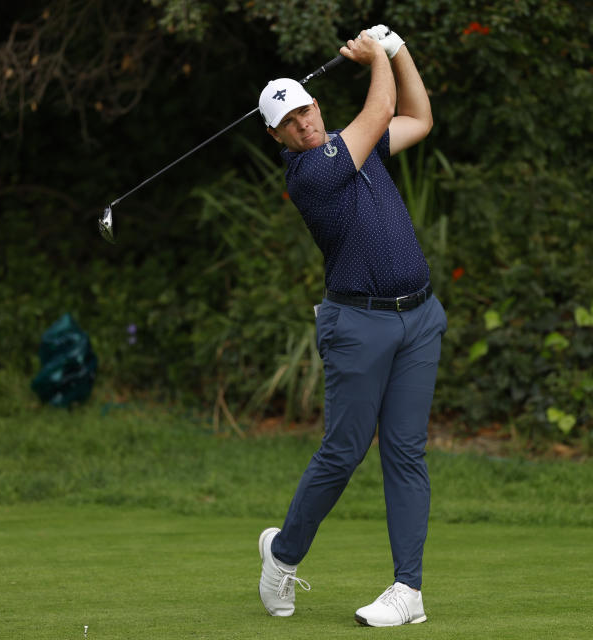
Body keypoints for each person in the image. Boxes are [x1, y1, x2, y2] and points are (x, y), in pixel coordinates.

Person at [255, 24, 447, 627]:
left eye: (306, 110)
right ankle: (282, 556)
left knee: (406, 454)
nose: (304, 125)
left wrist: (397, 50)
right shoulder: (310, 174)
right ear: (276, 135)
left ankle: (407, 590)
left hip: (418, 317)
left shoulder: (354, 147)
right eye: (289, 122)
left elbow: (418, 117)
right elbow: (384, 104)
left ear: (318, 105)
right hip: (357, 324)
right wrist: (374, 57)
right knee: (343, 451)